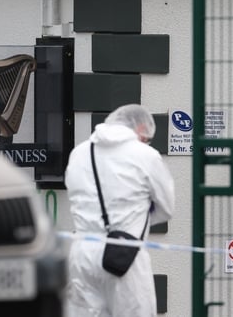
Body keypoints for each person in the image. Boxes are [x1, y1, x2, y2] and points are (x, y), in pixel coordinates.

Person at [64, 104, 175, 317]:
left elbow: (76, 197)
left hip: (81, 253)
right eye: (147, 139)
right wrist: (132, 219)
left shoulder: (79, 153)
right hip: (124, 254)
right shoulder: (146, 155)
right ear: (142, 128)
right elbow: (166, 208)